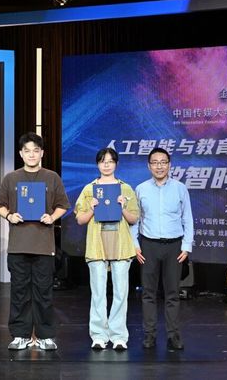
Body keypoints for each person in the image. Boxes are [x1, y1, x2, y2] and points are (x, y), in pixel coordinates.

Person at [0, 132, 70, 351]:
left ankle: (46, 335)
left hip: (44, 246)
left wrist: (52, 217)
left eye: (35, 151)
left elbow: (63, 205)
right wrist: (9, 216)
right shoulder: (11, 178)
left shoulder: (52, 177)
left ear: (42, 153)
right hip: (18, 246)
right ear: (21, 153)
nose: (31, 154)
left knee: (44, 292)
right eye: (27, 151)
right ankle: (21, 334)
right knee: (19, 292)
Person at [74, 148, 139, 351]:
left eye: (110, 161)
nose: (107, 165)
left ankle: (119, 336)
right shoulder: (89, 189)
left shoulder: (125, 188)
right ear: (97, 164)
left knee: (121, 292)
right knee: (98, 293)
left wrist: (123, 207)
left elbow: (134, 218)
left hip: (120, 245)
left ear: (116, 164)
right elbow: (80, 219)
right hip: (97, 245)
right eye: (103, 161)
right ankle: (99, 335)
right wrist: (91, 208)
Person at [131, 147, 193, 351]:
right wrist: (135, 245)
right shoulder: (141, 189)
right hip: (148, 246)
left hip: (174, 246)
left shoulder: (180, 188)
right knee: (148, 293)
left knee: (172, 293)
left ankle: (173, 336)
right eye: (155, 162)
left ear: (169, 165)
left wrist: (186, 245)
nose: (159, 166)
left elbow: (187, 218)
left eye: (163, 162)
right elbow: (135, 220)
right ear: (149, 166)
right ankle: (149, 336)